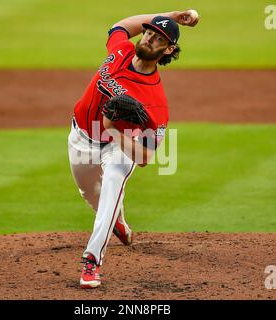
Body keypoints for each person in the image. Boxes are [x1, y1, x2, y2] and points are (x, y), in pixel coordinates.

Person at [68, 10, 199, 289]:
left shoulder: (156, 102)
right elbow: (120, 25)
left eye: (159, 38)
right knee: (90, 193)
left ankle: (92, 262)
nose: (150, 38)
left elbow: (145, 157)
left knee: (114, 182)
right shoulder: (121, 50)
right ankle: (116, 221)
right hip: (81, 137)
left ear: (168, 49)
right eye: (150, 32)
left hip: (120, 146)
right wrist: (173, 15)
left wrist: (113, 130)